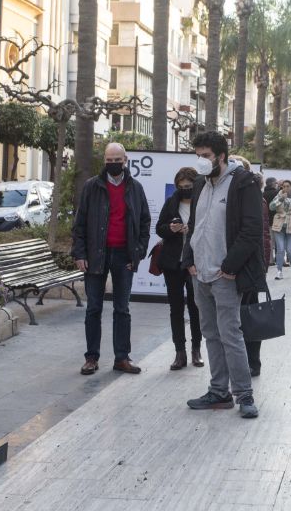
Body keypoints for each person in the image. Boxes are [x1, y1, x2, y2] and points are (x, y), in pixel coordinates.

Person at [182, 131, 264, 419]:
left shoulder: (243, 183)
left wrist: (230, 266)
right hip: (199, 273)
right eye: (198, 156)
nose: (201, 162)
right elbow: (194, 225)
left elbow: (252, 229)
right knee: (210, 334)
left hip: (224, 275)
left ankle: (244, 395)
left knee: (231, 334)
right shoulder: (200, 186)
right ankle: (218, 392)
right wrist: (188, 259)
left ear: (221, 156)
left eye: (205, 156)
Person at [71, 143, 151, 376]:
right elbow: (79, 224)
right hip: (96, 255)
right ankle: (91, 358)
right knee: (93, 308)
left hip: (124, 256)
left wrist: (138, 252)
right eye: (109, 160)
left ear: (125, 160)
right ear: (104, 161)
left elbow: (145, 222)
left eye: (117, 159)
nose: (113, 163)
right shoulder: (91, 187)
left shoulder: (135, 188)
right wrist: (80, 254)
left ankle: (122, 358)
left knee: (122, 309)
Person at [155, 167, 203, 371]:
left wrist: (191, 229)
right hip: (173, 262)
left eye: (189, 186)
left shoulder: (202, 201)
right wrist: (171, 229)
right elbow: (160, 227)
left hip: (195, 262)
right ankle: (179, 353)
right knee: (175, 308)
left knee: (195, 307)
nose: (185, 190)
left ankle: (196, 351)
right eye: (181, 187)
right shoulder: (172, 201)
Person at [230, 155, 270, 377]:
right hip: (228, 268)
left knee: (250, 315)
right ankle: (238, 361)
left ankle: (252, 361)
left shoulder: (257, 199)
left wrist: (262, 267)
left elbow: (261, 235)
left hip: (249, 268)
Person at [269, 180, 291, 280]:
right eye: (283, 186)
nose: (285, 188)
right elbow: (271, 207)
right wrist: (280, 199)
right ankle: (279, 271)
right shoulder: (279, 196)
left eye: (288, 186)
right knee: (280, 249)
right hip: (279, 226)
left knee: (289, 250)